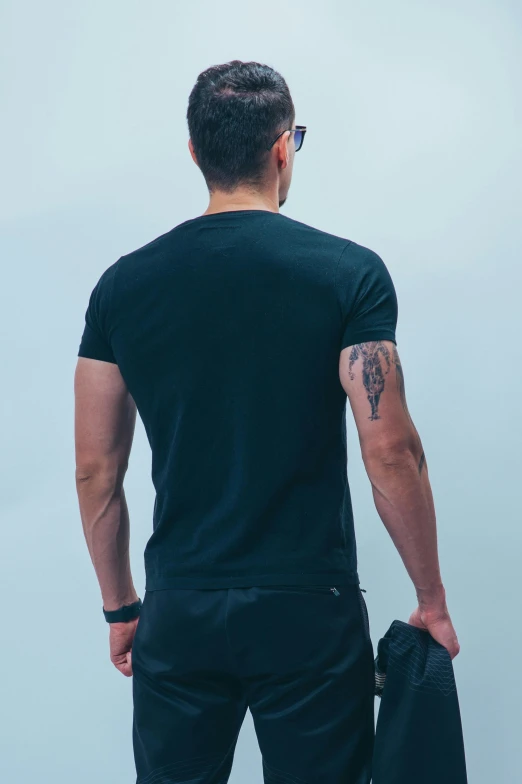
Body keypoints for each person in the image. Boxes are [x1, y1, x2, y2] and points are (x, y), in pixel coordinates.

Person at [74, 59, 460, 784]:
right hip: (308, 611)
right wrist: (430, 600)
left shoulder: (122, 286)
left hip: (180, 606)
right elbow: (391, 453)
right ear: (283, 146)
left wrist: (120, 606)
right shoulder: (348, 273)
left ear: (196, 152)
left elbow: (97, 469)